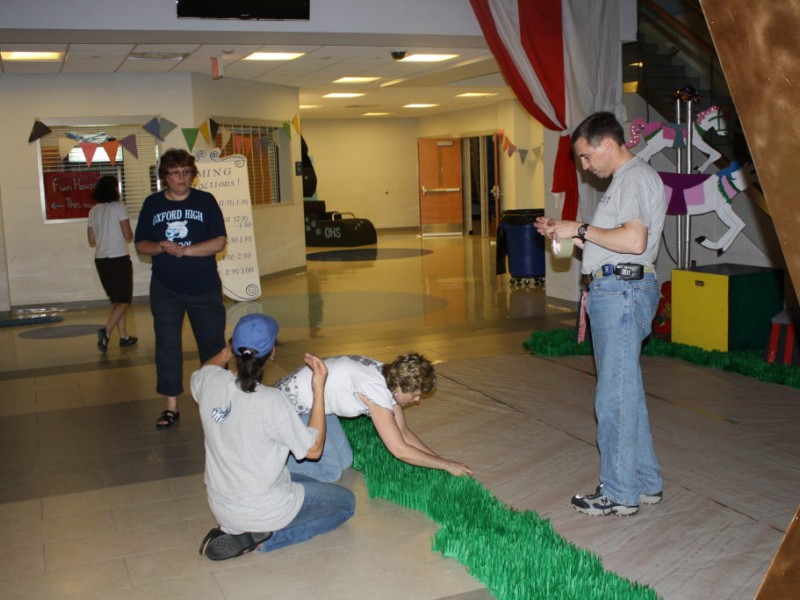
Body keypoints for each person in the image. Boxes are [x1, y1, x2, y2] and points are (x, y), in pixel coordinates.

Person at [534, 111, 667, 517]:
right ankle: (644, 483)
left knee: (614, 398)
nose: (585, 166)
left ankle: (620, 492)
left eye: (587, 156)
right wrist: (569, 232)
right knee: (627, 393)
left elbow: (633, 240)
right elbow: (610, 245)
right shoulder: (625, 184)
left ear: (607, 144)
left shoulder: (634, 179)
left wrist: (582, 228)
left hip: (623, 293)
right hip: (617, 289)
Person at [192, 314, 355, 560]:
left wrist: (226, 351)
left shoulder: (210, 382)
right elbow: (314, 450)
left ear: (233, 348)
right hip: (263, 510)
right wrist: (318, 388)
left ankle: (238, 530)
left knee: (309, 483)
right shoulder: (271, 400)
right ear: (272, 353)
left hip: (222, 505)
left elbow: (207, 368)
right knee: (346, 503)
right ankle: (263, 540)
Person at [134, 149, 227, 429]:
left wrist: (186, 251)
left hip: (204, 286)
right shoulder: (152, 204)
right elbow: (141, 245)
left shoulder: (206, 201)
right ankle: (171, 406)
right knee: (168, 346)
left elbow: (219, 242)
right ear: (165, 176)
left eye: (186, 172)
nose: (181, 178)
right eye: (175, 173)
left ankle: (219, 402)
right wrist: (161, 247)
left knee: (212, 345)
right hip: (166, 288)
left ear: (192, 174)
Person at [276, 353, 473, 480]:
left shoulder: (389, 376)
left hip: (317, 405)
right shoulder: (375, 392)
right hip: (289, 410)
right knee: (331, 471)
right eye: (415, 394)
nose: (417, 399)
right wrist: (445, 465)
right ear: (398, 388)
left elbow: (403, 432)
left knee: (345, 460)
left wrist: (441, 462)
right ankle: (273, 459)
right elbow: (399, 450)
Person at [87, 175, 138, 353]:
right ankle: (106, 331)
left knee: (117, 300)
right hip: (119, 259)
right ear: (115, 190)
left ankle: (123, 337)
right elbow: (128, 235)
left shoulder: (93, 210)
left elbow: (91, 239)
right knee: (124, 300)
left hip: (101, 260)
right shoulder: (119, 207)